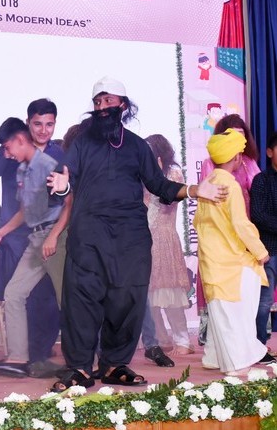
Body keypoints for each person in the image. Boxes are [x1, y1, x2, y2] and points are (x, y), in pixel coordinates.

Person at [47, 76, 227, 391]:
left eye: (108, 101)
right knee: (82, 300)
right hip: (89, 235)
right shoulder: (82, 143)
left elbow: (159, 185)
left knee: (126, 300)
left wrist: (196, 190)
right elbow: (65, 177)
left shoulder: (136, 146)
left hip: (130, 237)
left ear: (123, 105)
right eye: (97, 102)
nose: (102, 107)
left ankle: (114, 364)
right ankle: (79, 368)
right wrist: (61, 187)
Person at [0, 118, 71, 378]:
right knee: (14, 293)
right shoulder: (24, 169)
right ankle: (18, 358)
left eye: (7, 148)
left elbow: (70, 204)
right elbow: (26, 211)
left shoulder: (48, 165)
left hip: (56, 238)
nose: (6, 154)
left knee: (68, 300)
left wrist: (54, 236)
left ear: (20, 140)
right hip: (35, 239)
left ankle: (84, 361)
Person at [194, 129, 270, 375]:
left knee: (220, 311)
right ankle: (236, 364)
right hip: (230, 260)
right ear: (237, 157)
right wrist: (260, 252)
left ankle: (214, 356)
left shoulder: (208, 184)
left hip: (211, 258)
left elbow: (198, 222)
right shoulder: (230, 185)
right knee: (234, 314)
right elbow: (240, 223)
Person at [197, 114, 261, 344]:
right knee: (225, 286)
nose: (238, 139)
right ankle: (228, 340)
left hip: (245, 224)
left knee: (242, 286)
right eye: (233, 134)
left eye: (242, 134)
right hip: (224, 230)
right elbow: (207, 198)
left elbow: (258, 190)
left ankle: (247, 337)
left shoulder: (249, 162)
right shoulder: (213, 167)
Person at [142, 134, 193, 357]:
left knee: (170, 293)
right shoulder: (141, 173)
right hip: (144, 238)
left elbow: (168, 201)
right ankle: (161, 339)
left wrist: (157, 173)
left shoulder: (172, 172)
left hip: (164, 237)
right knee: (149, 295)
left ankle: (183, 340)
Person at [251, 131, 277, 349]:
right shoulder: (261, 180)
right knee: (264, 301)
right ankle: (259, 345)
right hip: (269, 249)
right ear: (269, 152)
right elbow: (258, 215)